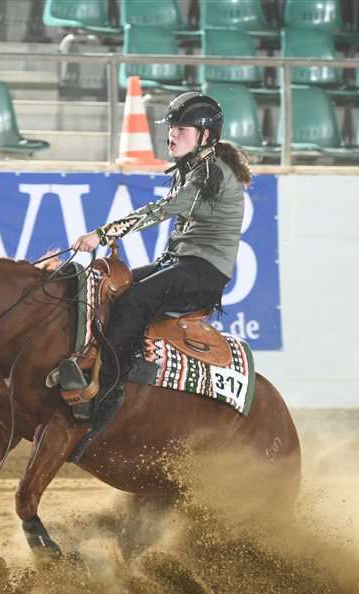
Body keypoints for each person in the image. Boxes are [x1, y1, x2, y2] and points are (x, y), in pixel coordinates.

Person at [67, 92, 252, 437]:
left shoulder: (211, 173)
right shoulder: (197, 166)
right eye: (171, 128)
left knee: (134, 301)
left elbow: (161, 210)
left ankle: (106, 391)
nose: (172, 135)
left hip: (204, 272)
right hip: (182, 262)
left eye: (181, 129)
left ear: (205, 135)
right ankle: (94, 362)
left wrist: (102, 235)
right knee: (113, 288)